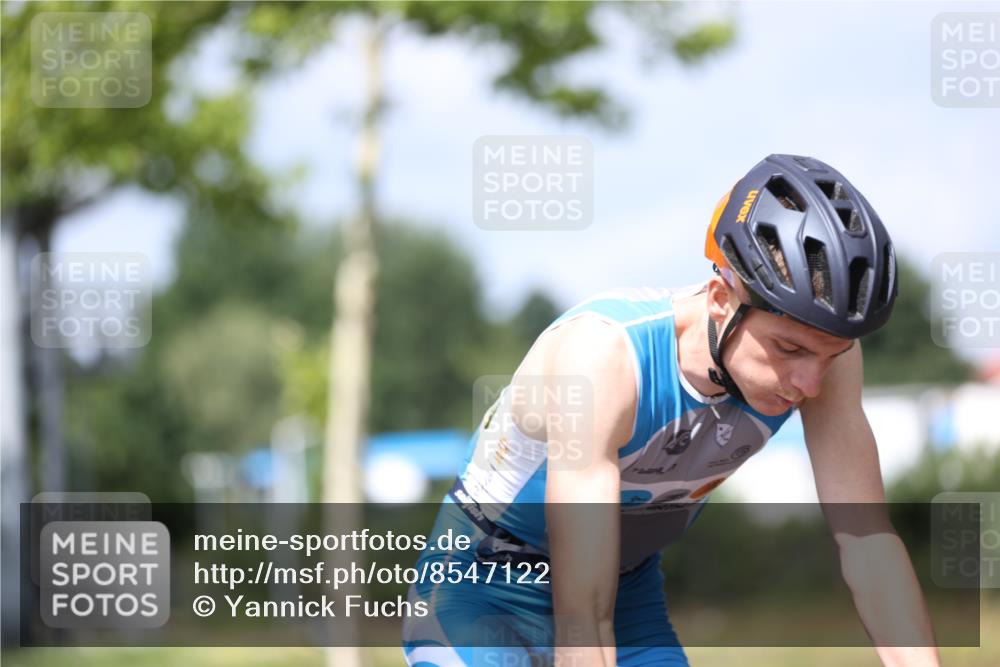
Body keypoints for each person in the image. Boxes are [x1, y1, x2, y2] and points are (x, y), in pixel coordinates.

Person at [401, 154, 941, 666]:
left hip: (629, 594)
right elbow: (582, 620)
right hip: (481, 591)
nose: (808, 382)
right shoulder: (604, 356)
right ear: (718, 298)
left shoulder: (826, 361)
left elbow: (866, 540)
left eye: (830, 355)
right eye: (787, 350)